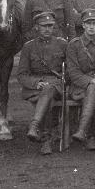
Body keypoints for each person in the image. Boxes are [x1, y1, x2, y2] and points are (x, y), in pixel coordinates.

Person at [17, 11, 68, 155]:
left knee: (49, 89)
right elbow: (21, 75)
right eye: (43, 26)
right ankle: (46, 139)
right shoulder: (28, 47)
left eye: (50, 26)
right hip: (35, 88)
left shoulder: (62, 44)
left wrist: (62, 81)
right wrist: (36, 83)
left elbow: (70, 70)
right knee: (46, 94)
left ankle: (35, 126)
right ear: (36, 27)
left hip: (57, 85)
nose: (47, 29)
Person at [65, 8, 95, 152]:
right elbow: (73, 73)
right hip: (79, 87)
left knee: (92, 91)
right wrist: (91, 81)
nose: (91, 27)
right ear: (83, 25)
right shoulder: (74, 45)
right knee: (91, 91)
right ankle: (90, 135)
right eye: (88, 23)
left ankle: (82, 131)